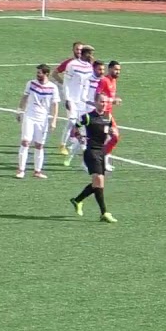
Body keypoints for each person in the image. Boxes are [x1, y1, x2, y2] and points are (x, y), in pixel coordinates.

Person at [69, 94, 118, 223]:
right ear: (95, 102)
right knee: (99, 180)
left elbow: (112, 129)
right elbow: (74, 128)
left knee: (98, 184)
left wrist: (113, 133)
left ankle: (77, 200)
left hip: (102, 152)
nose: (103, 104)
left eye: (105, 102)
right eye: (101, 101)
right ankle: (104, 213)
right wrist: (80, 138)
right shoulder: (88, 117)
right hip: (91, 151)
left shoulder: (108, 116)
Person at [15, 63, 61, 179]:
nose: (37, 75)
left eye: (39, 73)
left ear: (46, 74)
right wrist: (20, 111)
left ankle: (37, 171)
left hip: (43, 119)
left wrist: (54, 120)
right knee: (25, 142)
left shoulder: (53, 87)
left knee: (39, 145)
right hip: (29, 116)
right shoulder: (31, 84)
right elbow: (24, 97)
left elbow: (55, 105)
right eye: (37, 73)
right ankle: (21, 170)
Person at [59, 45, 94, 163]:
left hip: (81, 101)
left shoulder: (89, 67)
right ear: (85, 53)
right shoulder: (72, 64)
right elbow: (66, 83)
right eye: (89, 53)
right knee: (72, 121)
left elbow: (87, 84)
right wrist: (67, 99)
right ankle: (62, 144)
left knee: (82, 126)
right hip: (72, 99)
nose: (91, 55)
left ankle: (78, 151)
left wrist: (86, 98)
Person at [97, 60, 123, 163]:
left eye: (119, 70)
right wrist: (112, 100)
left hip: (108, 115)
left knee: (113, 138)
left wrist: (113, 100)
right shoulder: (104, 80)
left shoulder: (113, 81)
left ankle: (103, 160)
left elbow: (108, 97)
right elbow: (97, 97)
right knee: (108, 138)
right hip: (102, 115)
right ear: (110, 69)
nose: (118, 72)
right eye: (116, 69)